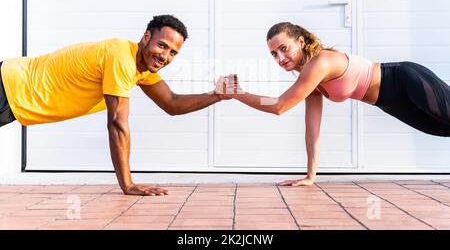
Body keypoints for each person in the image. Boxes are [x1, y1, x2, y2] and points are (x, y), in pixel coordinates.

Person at [0, 14, 229, 196]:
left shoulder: (142, 68)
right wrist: (128, 185)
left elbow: (172, 103)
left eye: (173, 53)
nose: (165, 56)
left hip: (13, 97)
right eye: (162, 45)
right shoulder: (121, 57)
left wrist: (216, 95)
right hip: (8, 86)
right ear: (146, 37)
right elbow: (117, 123)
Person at [217, 22, 450, 186]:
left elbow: (279, 105)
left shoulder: (319, 64)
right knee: (443, 129)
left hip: (405, 80)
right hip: (390, 102)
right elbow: (312, 130)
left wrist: (238, 93)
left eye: (284, 48)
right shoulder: (310, 80)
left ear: (300, 41)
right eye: (273, 54)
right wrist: (310, 176)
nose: (280, 58)